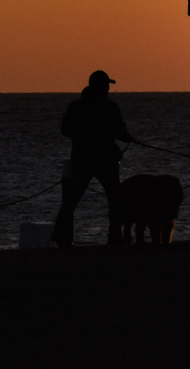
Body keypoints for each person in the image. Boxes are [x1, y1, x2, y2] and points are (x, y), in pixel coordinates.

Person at [52, 70, 136, 247]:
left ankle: (59, 233)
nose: (108, 89)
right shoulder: (110, 107)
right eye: (106, 85)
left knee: (72, 198)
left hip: (81, 159)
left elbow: (65, 130)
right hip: (106, 160)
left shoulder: (75, 107)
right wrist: (127, 137)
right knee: (114, 200)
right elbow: (120, 131)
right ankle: (115, 238)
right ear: (101, 87)